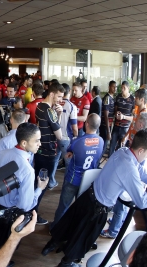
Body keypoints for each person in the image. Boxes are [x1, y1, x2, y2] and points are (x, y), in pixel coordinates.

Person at [42, 129, 147, 267]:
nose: (146, 157)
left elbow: (139, 170)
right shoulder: (130, 168)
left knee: (69, 223)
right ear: (140, 150)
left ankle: (50, 245)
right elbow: (142, 201)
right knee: (83, 239)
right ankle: (66, 263)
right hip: (97, 209)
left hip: (88, 196)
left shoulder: (122, 151)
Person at [0, 123, 48, 255]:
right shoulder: (27, 170)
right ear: (24, 143)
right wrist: (39, 189)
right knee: (1, 249)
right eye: (37, 141)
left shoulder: (1, 153)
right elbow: (25, 205)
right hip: (7, 216)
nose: (40, 144)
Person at [101, 111, 147, 239]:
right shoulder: (132, 152)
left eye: (135, 122)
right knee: (121, 207)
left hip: (107, 197)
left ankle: (114, 230)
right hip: (107, 197)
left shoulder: (130, 156)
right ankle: (116, 224)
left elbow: (141, 200)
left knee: (121, 206)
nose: (133, 123)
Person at [51, 114, 104, 229]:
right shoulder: (101, 141)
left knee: (64, 206)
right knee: (80, 207)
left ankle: (55, 228)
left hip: (73, 179)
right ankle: (73, 230)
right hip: (87, 182)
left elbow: (69, 152)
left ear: (87, 124)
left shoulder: (78, 141)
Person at [33, 82, 64, 225]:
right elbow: (59, 135)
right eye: (58, 96)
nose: (60, 100)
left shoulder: (39, 106)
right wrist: (59, 114)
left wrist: (56, 112)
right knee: (42, 184)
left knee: (36, 182)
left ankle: (31, 210)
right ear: (51, 94)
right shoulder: (49, 110)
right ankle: (33, 213)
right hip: (48, 153)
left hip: (39, 151)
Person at [109, 80, 135, 157]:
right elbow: (115, 110)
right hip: (116, 126)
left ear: (128, 88)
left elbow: (133, 118)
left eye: (124, 88)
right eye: (121, 88)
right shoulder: (118, 97)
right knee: (112, 146)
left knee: (122, 149)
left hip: (125, 128)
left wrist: (123, 117)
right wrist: (116, 113)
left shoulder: (132, 99)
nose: (122, 90)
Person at [56, 83, 78, 170]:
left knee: (55, 161)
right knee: (69, 164)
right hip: (66, 139)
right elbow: (74, 127)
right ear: (69, 91)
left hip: (56, 136)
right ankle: (66, 183)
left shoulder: (56, 104)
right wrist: (76, 137)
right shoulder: (72, 106)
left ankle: (51, 181)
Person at [99, 80, 117, 161]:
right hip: (105, 126)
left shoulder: (112, 98)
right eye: (113, 87)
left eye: (116, 87)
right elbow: (106, 115)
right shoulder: (107, 98)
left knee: (104, 145)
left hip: (108, 126)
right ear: (109, 87)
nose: (115, 88)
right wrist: (108, 131)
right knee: (103, 146)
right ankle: (96, 164)